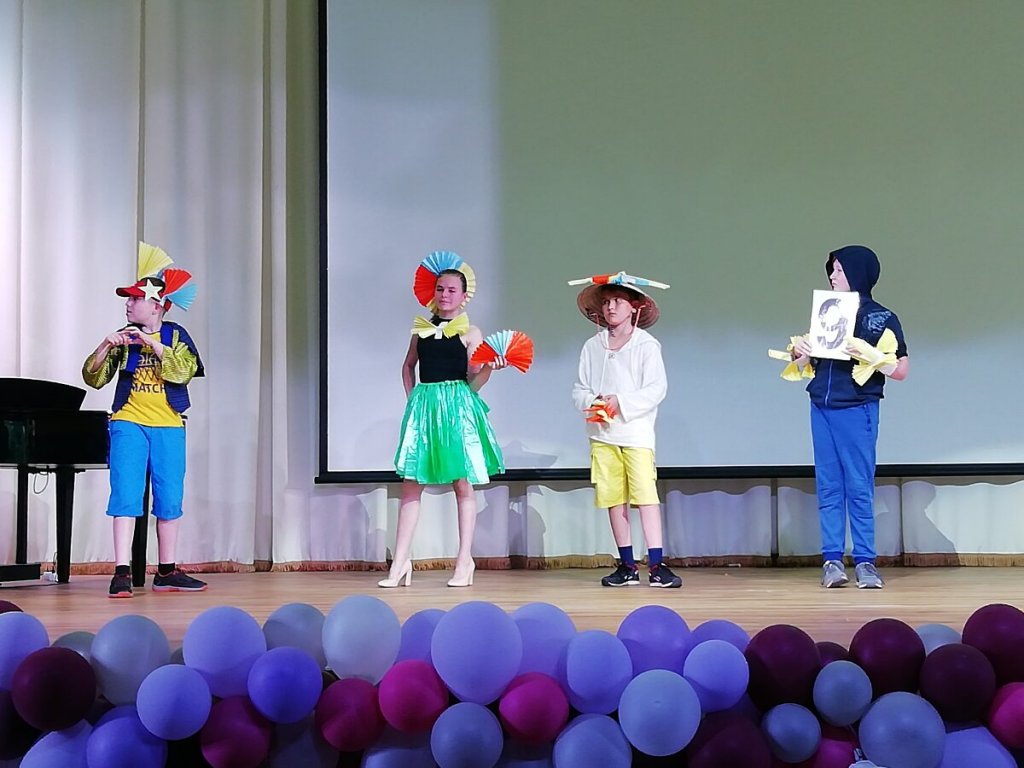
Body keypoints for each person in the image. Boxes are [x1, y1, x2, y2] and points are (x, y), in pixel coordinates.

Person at [83, 242, 207, 598]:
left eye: (135, 299)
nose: (128, 304)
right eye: (128, 299)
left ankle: (166, 571)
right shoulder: (122, 339)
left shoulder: (176, 336)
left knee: (170, 498)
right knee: (125, 494)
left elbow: (183, 371)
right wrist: (106, 346)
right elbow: (93, 377)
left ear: (156, 305)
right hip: (129, 422)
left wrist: (152, 345)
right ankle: (121, 572)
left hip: (169, 425)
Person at [379, 251, 505, 588]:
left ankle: (464, 561)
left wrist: (489, 368)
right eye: (440, 289)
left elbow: (474, 380)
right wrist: (413, 399)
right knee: (411, 484)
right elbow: (408, 366)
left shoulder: (471, 332)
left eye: (451, 290)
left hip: (457, 408)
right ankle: (400, 562)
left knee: (462, 484)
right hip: (424, 407)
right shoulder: (420, 330)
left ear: (463, 297)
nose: (445, 295)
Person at [792, 245, 909, 589]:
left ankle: (865, 562)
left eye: (840, 270)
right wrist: (801, 353)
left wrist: (871, 355)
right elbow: (808, 362)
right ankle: (831, 560)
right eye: (832, 269)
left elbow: (901, 369)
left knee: (858, 486)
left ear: (858, 273)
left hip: (857, 408)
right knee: (829, 486)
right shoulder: (828, 312)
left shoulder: (881, 317)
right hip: (822, 406)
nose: (832, 275)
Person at [570, 271, 681, 588]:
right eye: (606, 302)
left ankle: (657, 565)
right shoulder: (592, 346)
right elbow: (579, 388)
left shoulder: (646, 345)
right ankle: (627, 565)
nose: (611, 307)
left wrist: (621, 402)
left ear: (635, 307)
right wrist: (594, 402)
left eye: (618, 301)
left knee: (646, 497)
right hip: (602, 435)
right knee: (613, 499)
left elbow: (656, 389)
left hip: (636, 434)